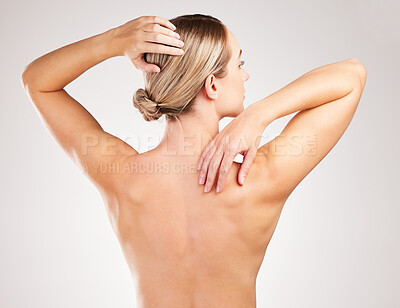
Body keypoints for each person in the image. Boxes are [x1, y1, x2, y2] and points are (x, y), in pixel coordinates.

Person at [21, 14, 367, 308]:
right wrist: (261, 114)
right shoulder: (260, 177)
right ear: (212, 86)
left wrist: (113, 41)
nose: (245, 77)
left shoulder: (121, 176)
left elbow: (38, 82)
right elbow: (352, 76)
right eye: (239, 65)